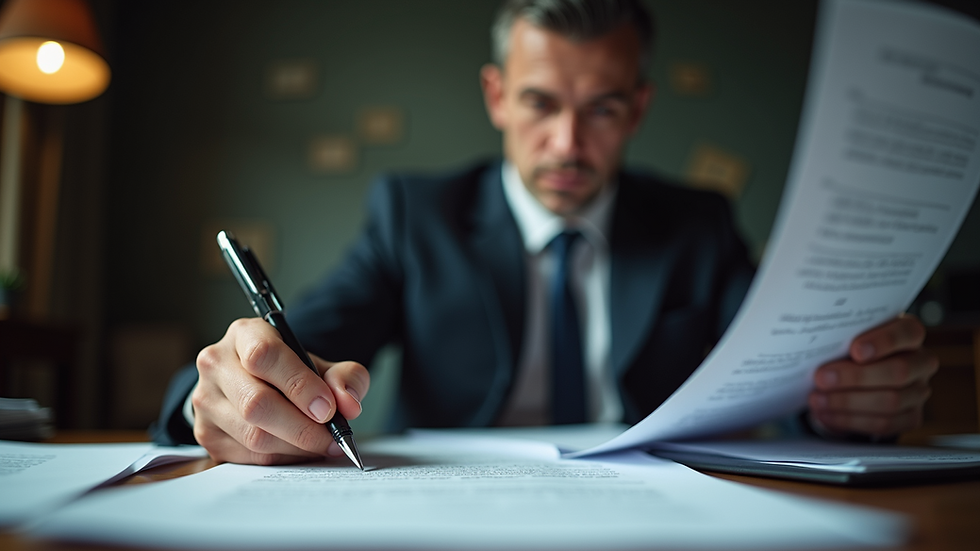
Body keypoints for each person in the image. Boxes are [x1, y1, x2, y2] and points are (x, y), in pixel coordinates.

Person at [153, 0, 937, 465]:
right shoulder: (413, 217)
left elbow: (786, 369)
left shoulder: (697, 227)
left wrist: (843, 398)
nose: (567, 143)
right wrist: (224, 392)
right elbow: (292, 349)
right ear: (496, 97)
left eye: (601, 108)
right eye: (539, 103)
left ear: (639, 108)